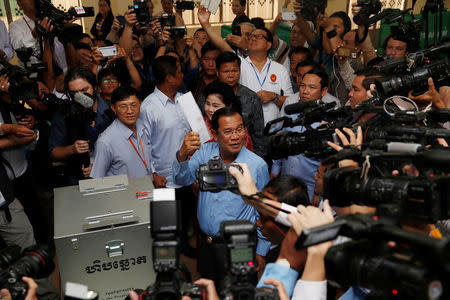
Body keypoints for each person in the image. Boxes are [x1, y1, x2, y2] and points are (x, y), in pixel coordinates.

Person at [173, 107, 271, 285]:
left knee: (238, 291)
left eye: (239, 129)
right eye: (227, 131)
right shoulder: (204, 152)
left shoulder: (256, 165)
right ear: (214, 134)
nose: (235, 136)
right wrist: (182, 154)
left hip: (239, 245)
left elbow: (263, 212)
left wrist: (260, 251)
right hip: (206, 243)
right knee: (210, 289)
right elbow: (182, 178)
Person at [198, 6, 293, 126]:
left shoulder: (280, 69)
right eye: (251, 36)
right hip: (245, 131)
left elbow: (290, 102)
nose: (253, 38)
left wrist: (274, 97)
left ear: (268, 45)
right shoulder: (240, 63)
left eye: (258, 36)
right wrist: (206, 24)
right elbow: (221, 44)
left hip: (274, 131)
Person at [271, 68, 331, 202]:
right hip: (285, 184)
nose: (305, 91)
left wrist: (317, 192)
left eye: (312, 87)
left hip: (311, 188)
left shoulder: (327, 123)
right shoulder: (290, 115)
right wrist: (274, 173)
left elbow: (327, 163)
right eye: (303, 85)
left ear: (324, 91)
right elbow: (280, 146)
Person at [48, 67, 114, 185]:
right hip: (77, 180)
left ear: (95, 87)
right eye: (74, 93)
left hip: (111, 174)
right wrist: (72, 149)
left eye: (84, 90)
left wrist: (99, 164)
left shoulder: (111, 110)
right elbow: (54, 153)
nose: (80, 97)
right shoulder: (63, 115)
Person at [196, 51, 267, 159]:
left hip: (244, 156)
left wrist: (256, 162)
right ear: (217, 72)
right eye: (226, 71)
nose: (231, 75)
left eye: (234, 70)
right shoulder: (207, 95)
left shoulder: (251, 97)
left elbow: (259, 135)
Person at [140, 55, 190, 188]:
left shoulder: (185, 100)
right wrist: (153, 175)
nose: (182, 75)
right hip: (165, 181)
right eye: (179, 72)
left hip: (189, 176)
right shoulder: (149, 107)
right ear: (169, 77)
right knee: (166, 210)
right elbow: (144, 144)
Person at [91, 86, 154, 179]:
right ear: (113, 108)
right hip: (125, 193)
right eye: (123, 106)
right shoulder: (105, 142)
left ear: (140, 104)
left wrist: (154, 174)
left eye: (133, 105)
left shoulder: (143, 127)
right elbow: (97, 179)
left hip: (148, 189)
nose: (130, 111)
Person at [203, 80, 253, 151]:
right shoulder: (201, 124)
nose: (210, 109)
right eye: (208, 104)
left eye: (215, 106)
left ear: (228, 106)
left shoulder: (238, 126)